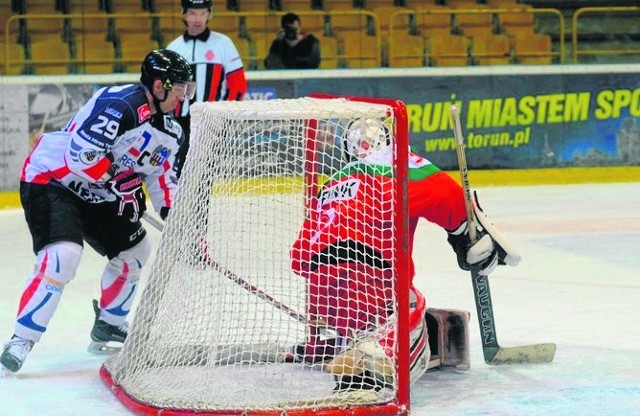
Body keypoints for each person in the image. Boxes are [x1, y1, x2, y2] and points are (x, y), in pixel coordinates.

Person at [0, 49, 195, 374]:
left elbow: (161, 179)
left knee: (135, 250)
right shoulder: (120, 105)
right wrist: (116, 178)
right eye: (179, 88)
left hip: (99, 193)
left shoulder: (172, 132)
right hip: (55, 180)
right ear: (160, 86)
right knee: (63, 255)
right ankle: (21, 339)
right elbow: (80, 154)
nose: (182, 96)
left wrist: (178, 220)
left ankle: (109, 323)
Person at [290, 118, 520, 391]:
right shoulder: (401, 164)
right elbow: (451, 201)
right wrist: (468, 236)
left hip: (321, 291)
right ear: (388, 141)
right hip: (372, 277)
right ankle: (370, 367)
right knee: (412, 305)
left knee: (356, 299)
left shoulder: (332, 182)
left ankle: (334, 340)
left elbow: (300, 257)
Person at [167, 0, 247, 177]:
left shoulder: (223, 44)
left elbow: (238, 84)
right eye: (193, 13)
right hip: (181, 121)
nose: (198, 19)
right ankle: (182, 206)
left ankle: (201, 206)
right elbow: (165, 86)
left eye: (203, 13)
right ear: (184, 14)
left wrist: (225, 114)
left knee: (205, 173)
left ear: (209, 14)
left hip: (211, 120)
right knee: (181, 171)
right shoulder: (174, 48)